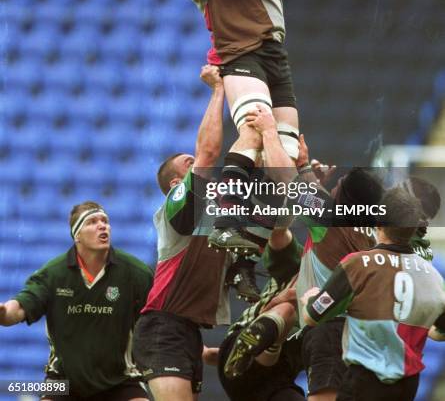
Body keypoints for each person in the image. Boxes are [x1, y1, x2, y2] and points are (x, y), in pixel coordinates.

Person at [170, 0, 303, 251]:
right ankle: (227, 210)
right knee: (253, 128)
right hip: (238, 56)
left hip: (274, 55)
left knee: (288, 151)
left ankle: (253, 234)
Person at [246, 105, 383, 401]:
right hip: (366, 333)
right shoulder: (374, 233)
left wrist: (270, 131)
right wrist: (305, 165)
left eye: (337, 189)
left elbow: (287, 181)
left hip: (330, 327)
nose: (331, 190)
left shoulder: (330, 218)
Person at [132, 65, 237, 401]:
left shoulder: (214, 220)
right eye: (187, 165)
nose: (199, 167)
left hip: (187, 331)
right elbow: (208, 153)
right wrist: (218, 89)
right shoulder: (177, 206)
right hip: (164, 327)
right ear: (177, 185)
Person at [301, 186, 445, 401]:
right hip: (407, 387)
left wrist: (309, 297)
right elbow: (439, 332)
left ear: (378, 224)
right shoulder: (434, 278)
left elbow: (312, 316)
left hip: (365, 381)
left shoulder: (357, 264)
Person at [0, 201, 153, 401]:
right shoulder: (53, 274)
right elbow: (20, 306)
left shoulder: (136, 273)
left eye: (105, 221)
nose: (102, 225)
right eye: (92, 222)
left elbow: (162, 317)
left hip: (121, 381)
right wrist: (3, 311)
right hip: (62, 382)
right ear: (77, 235)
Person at [217, 226, 305, 401]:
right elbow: (279, 232)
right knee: (287, 308)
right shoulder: (302, 263)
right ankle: (249, 345)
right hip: (253, 345)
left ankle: (246, 351)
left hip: (276, 379)